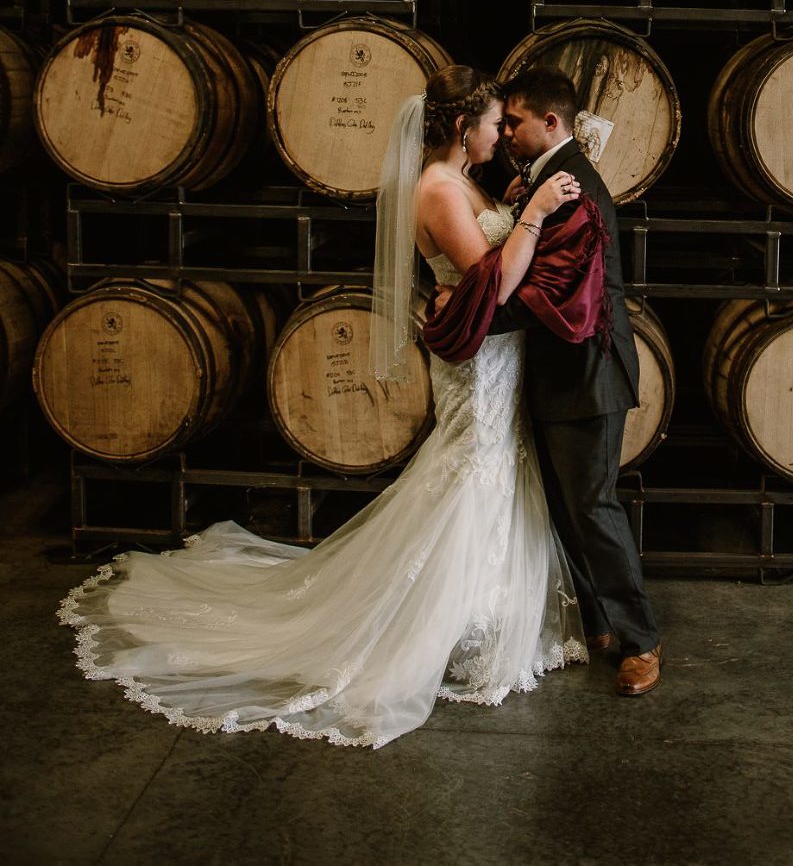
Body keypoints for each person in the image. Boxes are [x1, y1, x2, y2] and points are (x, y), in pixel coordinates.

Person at [58, 65, 590, 748]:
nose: (503, 133)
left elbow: (488, 261)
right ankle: (457, 626)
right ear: (464, 128)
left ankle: (481, 617)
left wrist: (520, 206)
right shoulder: (437, 188)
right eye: (494, 123)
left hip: (494, 355)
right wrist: (538, 216)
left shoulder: (460, 182)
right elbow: (491, 281)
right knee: (474, 465)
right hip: (477, 358)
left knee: (489, 463)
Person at [495, 66, 662, 697]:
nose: (506, 132)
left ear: (550, 122)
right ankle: (597, 620)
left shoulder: (576, 191)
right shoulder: (544, 180)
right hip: (557, 374)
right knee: (568, 509)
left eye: (514, 122)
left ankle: (642, 639)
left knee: (593, 508)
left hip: (588, 375)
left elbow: (552, 292)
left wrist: (466, 315)